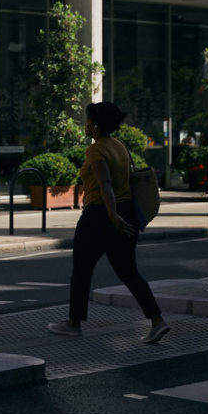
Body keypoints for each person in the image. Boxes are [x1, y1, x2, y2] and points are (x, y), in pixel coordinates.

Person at [47, 101, 170, 344]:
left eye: (89, 120)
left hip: (100, 214)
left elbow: (105, 184)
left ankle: (73, 323)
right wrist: (119, 215)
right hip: (127, 210)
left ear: (96, 125)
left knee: (82, 268)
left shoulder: (96, 150)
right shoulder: (120, 146)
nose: (86, 124)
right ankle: (157, 321)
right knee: (129, 271)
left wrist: (113, 216)